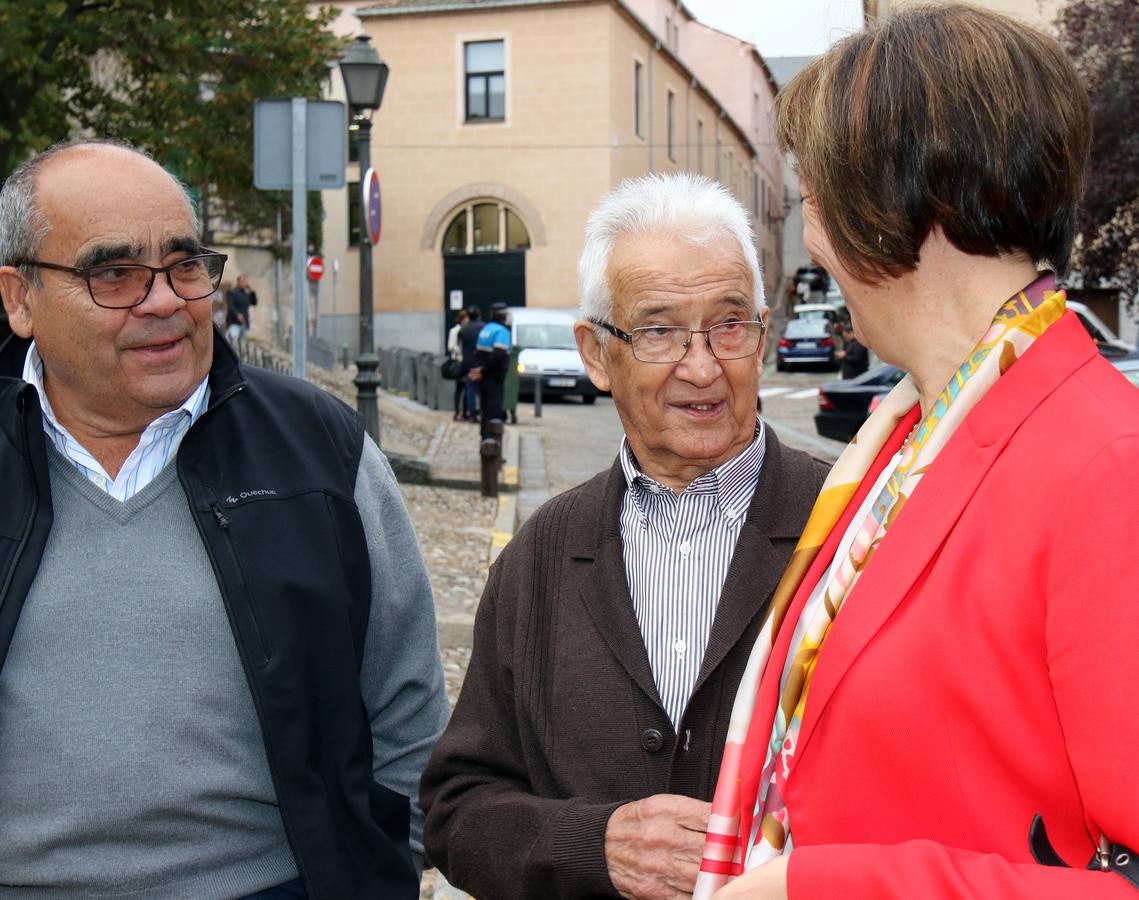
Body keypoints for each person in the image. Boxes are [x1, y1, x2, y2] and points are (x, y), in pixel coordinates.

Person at [695, 7, 1139, 899]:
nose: (811, 233)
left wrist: (820, 888)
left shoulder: (1106, 468)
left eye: (815, 194)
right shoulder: (902, 444)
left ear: (897, 199)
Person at [0, 139, 450, 899]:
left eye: (184, 265)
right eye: (114, 274)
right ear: (19, 298)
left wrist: (380, 875)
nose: (166, 300)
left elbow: (406, 710)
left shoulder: (317, 450)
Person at [420, 172, 829, 899]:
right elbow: (456, 809)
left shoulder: (850, 529)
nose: (700, 366)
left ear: (762, 334)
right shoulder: (540, 556)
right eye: (658, 330)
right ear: (595, 353)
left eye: (728, 324)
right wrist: (591, 847)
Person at [472, 301, 511, 438]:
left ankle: (485, 439)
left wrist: (479, 370)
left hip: (483, 378)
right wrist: (484, 370)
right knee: (494, 411)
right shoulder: (502, 332)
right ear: (503, 316)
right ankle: (493, 444)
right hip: (494, 378)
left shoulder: (486, 329)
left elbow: (477, 353)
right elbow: (499, 355)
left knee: (485, 410)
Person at [457, 305, 483, 421]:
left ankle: (472, 414)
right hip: (480, 362)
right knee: (482, 389)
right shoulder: (483, 327)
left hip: (467, 363)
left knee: (470, 389)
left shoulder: (463, 329)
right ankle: (482, 412)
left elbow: (461, 345)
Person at [447, 309, 470, 421]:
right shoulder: (455, 331)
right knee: (459, 388)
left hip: (465, 362)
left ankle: (465, 412)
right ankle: (457, 412)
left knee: (466, 388)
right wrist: (460, 352)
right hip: (458, 361)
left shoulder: (467, 329)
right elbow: (451, 346)